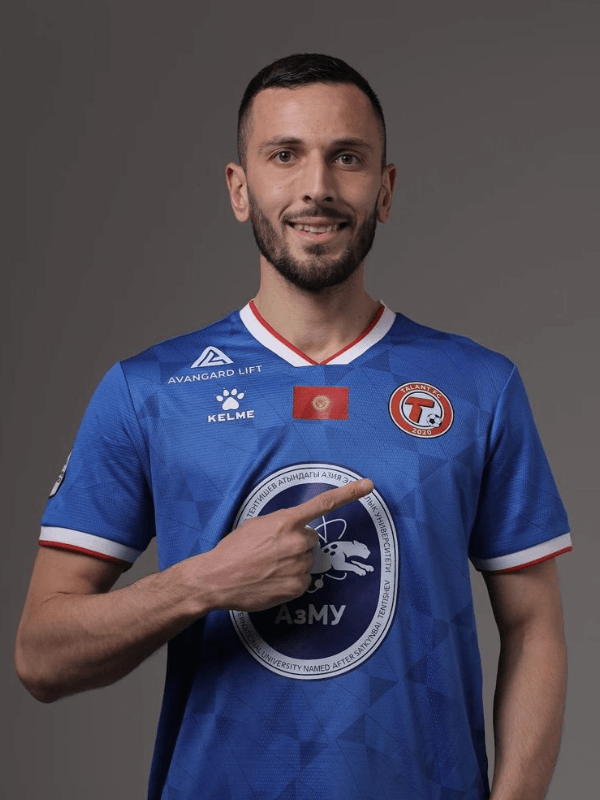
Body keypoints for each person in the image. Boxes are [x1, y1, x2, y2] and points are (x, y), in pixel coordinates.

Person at [16, 53, 571, 800]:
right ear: (239, 188)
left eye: (348, 157)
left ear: (385, 189)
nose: (317, 186)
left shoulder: (479, 387)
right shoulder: (149, 392)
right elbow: (41, 658)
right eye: (285, 156)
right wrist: (200, 583)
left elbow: (534, 626)